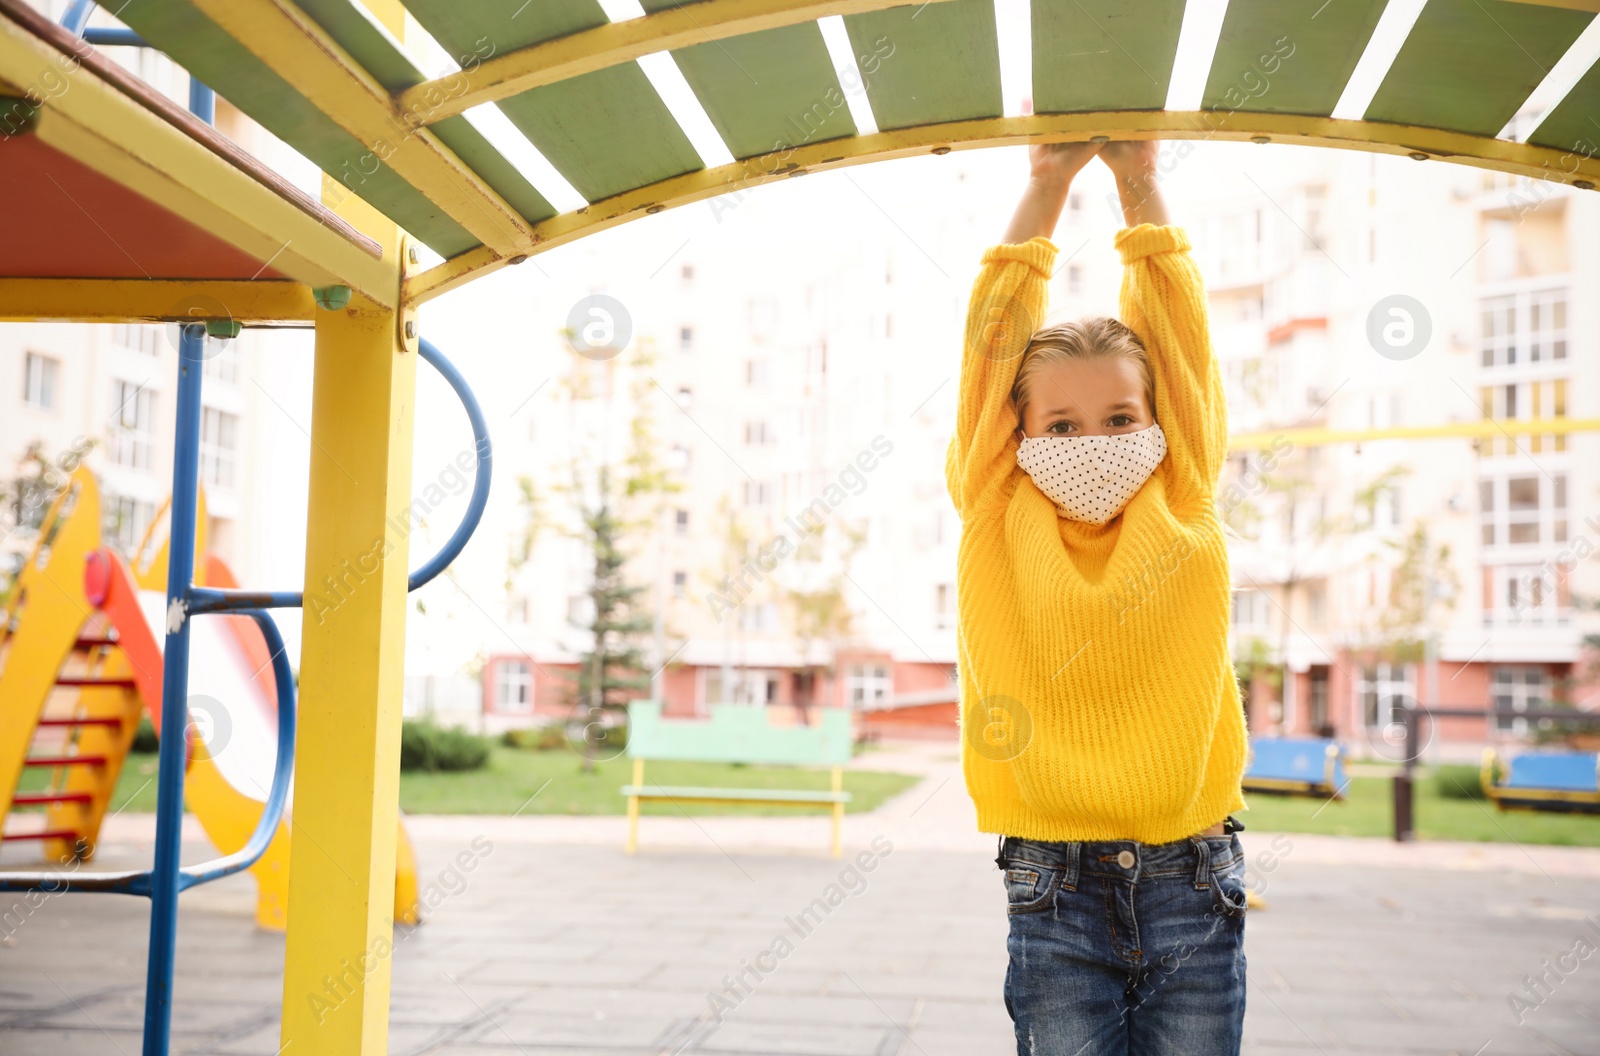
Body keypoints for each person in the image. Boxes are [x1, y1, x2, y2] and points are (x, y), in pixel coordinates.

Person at [945, 138, 1250, 1055]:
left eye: (1121, 418)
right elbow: (992, 342)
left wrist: (1138, 183)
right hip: (1054, 879)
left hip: (1192, 870)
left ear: (1160, 420)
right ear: (1018, 428)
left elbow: (1182, 337)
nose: (1097, 439)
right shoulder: (995, 500)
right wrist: (1046, 187)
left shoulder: (1185, 483)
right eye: (1062, 422)